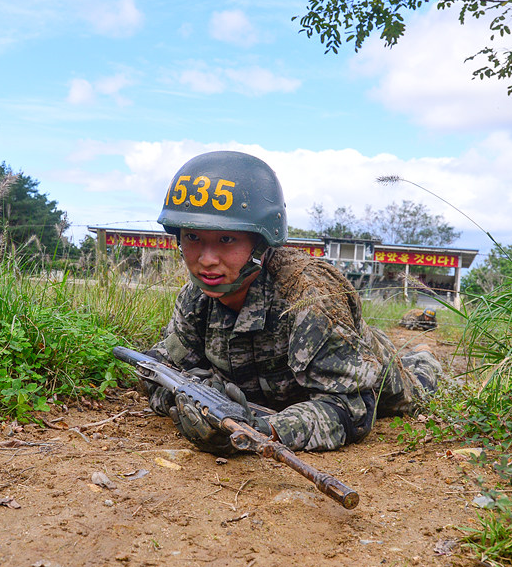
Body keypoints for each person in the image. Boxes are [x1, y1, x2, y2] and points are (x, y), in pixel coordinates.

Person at [144, 151, 441, 455]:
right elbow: (157, 369)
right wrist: (186, 399)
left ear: (260, 241)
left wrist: (261, 430)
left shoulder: (309, 298)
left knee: (416, 389)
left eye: (226, 240)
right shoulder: (197, 297)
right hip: (280, 394)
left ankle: (424, 354)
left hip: (376, 374)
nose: (206, 259)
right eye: (192, 237)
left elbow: (351, 410)